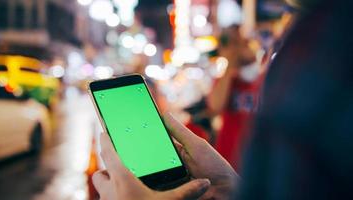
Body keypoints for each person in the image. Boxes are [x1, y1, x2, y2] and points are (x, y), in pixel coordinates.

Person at [92, 0, 353, 199]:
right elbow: (216, 105)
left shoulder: (316, 44)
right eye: (238, 42)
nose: (246, 46)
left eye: (246, 41)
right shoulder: (311, 44)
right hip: (232, 153)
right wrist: (229, 183)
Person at [207, 26, 264, 171]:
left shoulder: (264, 76)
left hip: (258, 158)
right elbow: (215, 106)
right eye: (234, 43)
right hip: (229, 158)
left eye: (243, 42)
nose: (240, 48)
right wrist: (230, 64)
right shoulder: (226, 80)